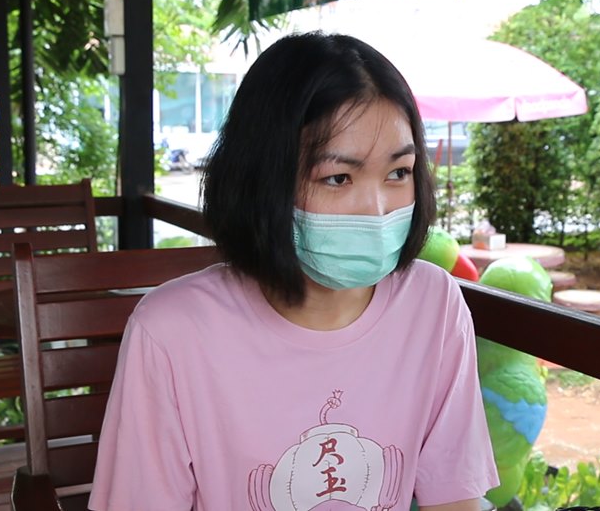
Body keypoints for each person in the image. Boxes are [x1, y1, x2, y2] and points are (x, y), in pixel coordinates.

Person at [88, 32, 498, 511]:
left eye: (398, 173)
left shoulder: (434, 305)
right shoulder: (171, 332)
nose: (376, 210)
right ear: (263, 181)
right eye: (338, 178)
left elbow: (454, 496)